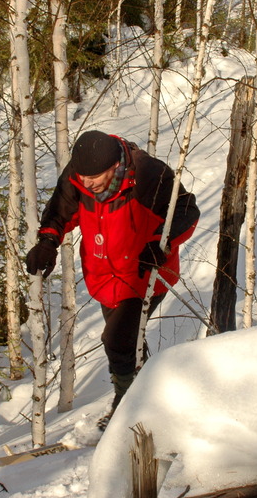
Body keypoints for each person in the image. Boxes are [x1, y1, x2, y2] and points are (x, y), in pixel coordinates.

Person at [25, 130, 199, 427]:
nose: (86, 184)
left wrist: (162, 243)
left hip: (145, 272)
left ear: (114, 167)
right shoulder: (80, 175)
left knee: (118, 341)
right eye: (82, 178)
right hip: (104, 276)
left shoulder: (148, 174)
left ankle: (127, 412)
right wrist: (47, 242)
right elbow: (60, 211)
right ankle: (146, 400)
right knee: (129, 345)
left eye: (93, 179)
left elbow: (186, 210)